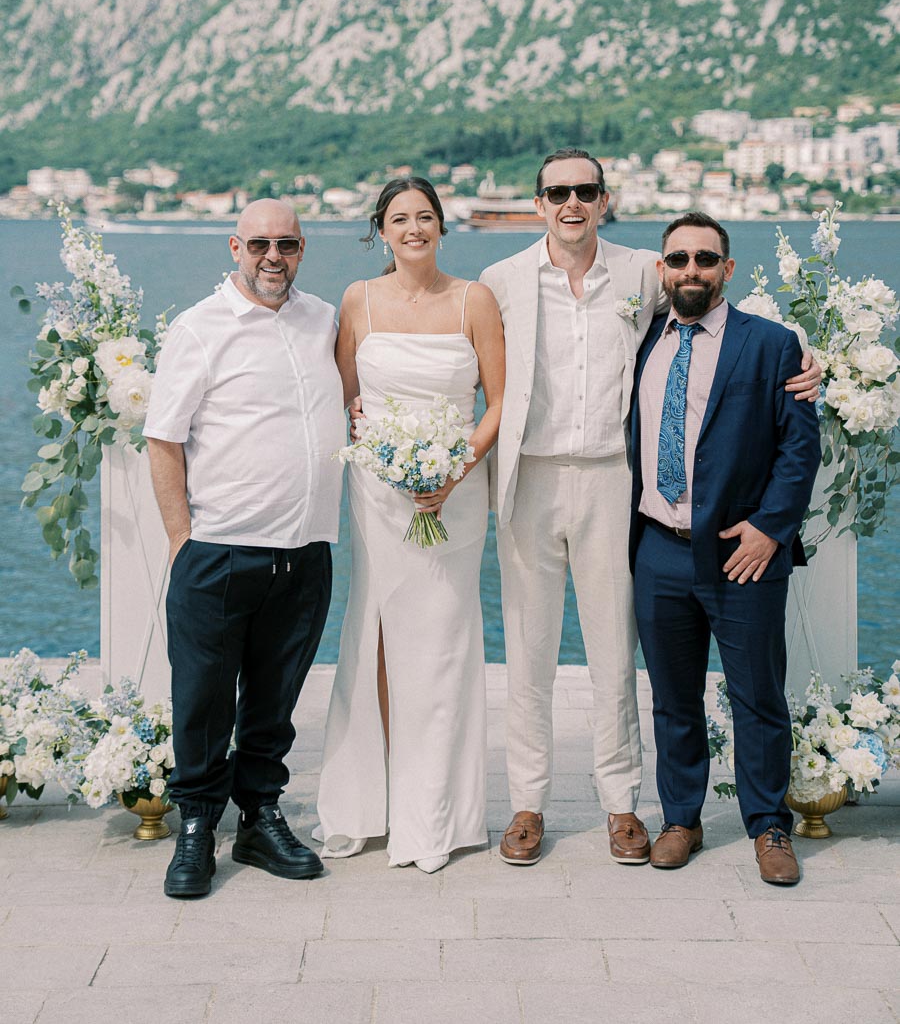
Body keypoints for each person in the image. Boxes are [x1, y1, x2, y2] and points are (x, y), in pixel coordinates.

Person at [479, 149, 822, 867]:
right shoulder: (499, 281)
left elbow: (734, 332)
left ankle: (624, 807)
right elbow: (456, 360)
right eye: (557, 192)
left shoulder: (642, 271)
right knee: (528, 653)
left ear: (605, 200)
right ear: (539, 200)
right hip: (531, 481)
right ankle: (528, 804)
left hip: (613, 483)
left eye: (585, 191)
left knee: (615, 655)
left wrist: (811, 359)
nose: (571, 203)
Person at [144, 198, 346, 898]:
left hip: (305, 553)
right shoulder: (199, 330)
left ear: (301, 249)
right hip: (220, 552)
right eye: (259, 243)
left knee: (274, 701)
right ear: (235, 246)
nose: (273, 256)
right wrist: (181, 541)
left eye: (287, 244)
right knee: (202, 703)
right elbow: (163, 440)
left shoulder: (322, 320)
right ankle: (197, 827)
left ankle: (260, 817)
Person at [314, 177, 505, 873]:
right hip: (378, 493)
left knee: (446, 642)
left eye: (426, 217)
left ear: (442, 227)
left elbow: (498, 403)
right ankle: (377, 802)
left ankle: (436, 815)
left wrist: (456, 469)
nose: (415, 228)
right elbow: (345, 396)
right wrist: (382, 451)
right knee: (379, 637)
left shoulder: (473, 299)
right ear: (381, 230)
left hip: (455, 493)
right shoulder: (357, 301)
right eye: (401, 219)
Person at [630, 212, 820, 885]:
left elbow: (800, 449)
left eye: (705, 260)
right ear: (662, 270)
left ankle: (770, 825)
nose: (691, 271)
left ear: (727, 269)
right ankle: (681, 818)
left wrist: (771, 527)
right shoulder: (642, 339)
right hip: (657, 549)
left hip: (745, 553)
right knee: (672, 698)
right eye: (678, 260)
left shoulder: (772, 344)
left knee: (758, 696)